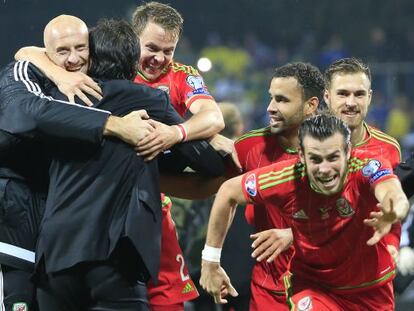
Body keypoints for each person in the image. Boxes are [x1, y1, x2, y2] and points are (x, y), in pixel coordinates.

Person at [0, 16, 156, 311]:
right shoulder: (25, 71)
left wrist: (187, 131)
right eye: (62, 51)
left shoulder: (94, 91)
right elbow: (25, 112)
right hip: (13, 216)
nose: (73, 59)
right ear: (47, 52)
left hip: (50, 234)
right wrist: (113, 125)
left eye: (81, 48)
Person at [200, 113, 409, 310]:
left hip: (371, 289)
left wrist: (394, 210)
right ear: (301, 155)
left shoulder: (367, 165)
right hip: (314, 288)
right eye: (316, 159)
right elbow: (228, 191)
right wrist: (210, 260)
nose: (325, 169)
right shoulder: (285, 177)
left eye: (333, 157)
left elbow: (392, 191)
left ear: (347, 151)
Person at [233, 62, 324, 310]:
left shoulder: (336, 151)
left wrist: (294, 235)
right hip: (267, 291)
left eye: (282, 100)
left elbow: (356, 218)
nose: (270, 108)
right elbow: (215, 189)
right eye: (271, 98)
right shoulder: (249, 147)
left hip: (323, 288)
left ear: (311, 105)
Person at [324, 57, 402, 261]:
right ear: (326, 97)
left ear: (369, 97)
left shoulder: (389, 148)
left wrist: (393, 244)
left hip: (368, 266)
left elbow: (391, 208)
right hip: (317, 268)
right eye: (342, 94)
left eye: (358, 94)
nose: (351, 102)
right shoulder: (304, 145)